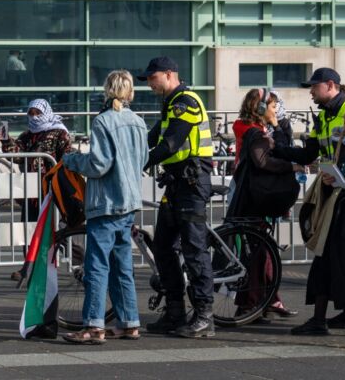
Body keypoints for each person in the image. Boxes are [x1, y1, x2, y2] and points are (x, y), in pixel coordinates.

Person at [60, 70, 148, 344]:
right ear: (130, 91)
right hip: (129, 201)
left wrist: (72, 160)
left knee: (96, 266)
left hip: (106, 203)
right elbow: (143, 159)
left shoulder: (102, 122)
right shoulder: (138, 122)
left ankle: (93, 326)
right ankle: (129, 322)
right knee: (122, 266)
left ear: (107, 90)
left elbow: (99, 165)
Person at [273, 68, 345, 329]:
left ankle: (328, 317)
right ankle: (342, 314)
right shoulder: (324, 117)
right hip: (334, 194)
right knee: (334, 258)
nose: (311, 91)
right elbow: (309, 153)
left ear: (330, 85)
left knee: (343, 259)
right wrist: (276, 147)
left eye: (314, 86)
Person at [139, 56, 215, 338]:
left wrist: (140, 163)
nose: (149, 82)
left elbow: (171, 143)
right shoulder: (170, 103)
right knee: (162, 247)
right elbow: (153, 136)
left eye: (152, 77)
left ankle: (205, 316)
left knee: (194, 250)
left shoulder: (187, 102)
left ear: (169, 74)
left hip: (192, 184)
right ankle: (174, 312)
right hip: (176, 184)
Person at [228, 89, 302, 321]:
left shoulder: (249, 128)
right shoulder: (255, 132)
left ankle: (262, 301)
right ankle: (256, 302)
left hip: (249, 197)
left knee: (260, 252)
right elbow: (263, 160)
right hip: (254, 199)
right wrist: (290, 166)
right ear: (259, 108)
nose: (275, 110)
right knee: (259, 253)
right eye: (272, 106)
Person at [291, 97, 345, 335]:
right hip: (342, 210)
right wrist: (333, 178)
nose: (344, 119)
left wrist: (344, 181)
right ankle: (319, 319)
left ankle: (331, 317)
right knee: (324, 264)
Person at [3, 99, 72, 281]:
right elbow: (16, 156)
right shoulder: (27, 135)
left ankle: (80, 261)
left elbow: (68, 159)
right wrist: (5, 140)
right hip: (30, 191)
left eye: (38, 113)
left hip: (52, 189)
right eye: (30, 113)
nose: (34, 117)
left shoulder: (59, 132)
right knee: (28, 229)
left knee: (56, 229)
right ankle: (28, 267)